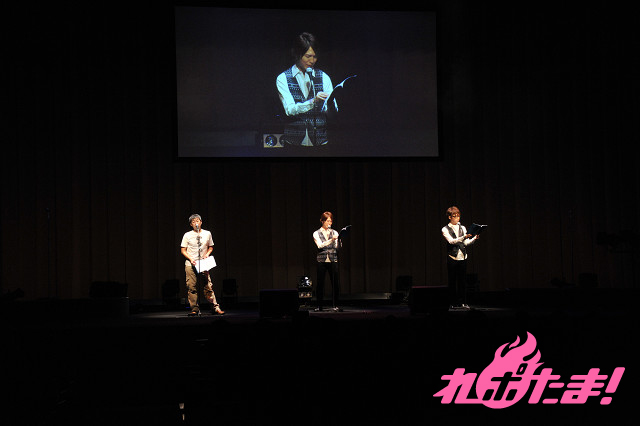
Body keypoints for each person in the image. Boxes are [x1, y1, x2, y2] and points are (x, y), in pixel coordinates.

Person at [276, 32, 337, 147]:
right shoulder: (283, 78)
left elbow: (332, 113)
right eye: (308, 56)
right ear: (297, 54)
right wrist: (313, 101)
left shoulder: (324, 77)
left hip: (320, 141)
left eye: (315, 57)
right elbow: (290, 110)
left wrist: (330, 104)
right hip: (294, 143)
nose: (312, 61)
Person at [180, 214, 224, 316]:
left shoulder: (207, 233)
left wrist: (207, 254)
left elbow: (211, 247)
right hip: (191, 263)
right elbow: (183, 250)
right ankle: (194, 309)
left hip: (203, 263)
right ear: (191, 224)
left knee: (208, 286)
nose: (196, 223)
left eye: (197, 221)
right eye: (193, 221)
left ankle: (215, 307)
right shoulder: (187, 235)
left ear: (201, 222)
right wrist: (190, 258)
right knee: (191, 287)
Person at [441, 206, 479, 310]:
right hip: (452, 258)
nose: (457, 218)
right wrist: (463, 237)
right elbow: (451, 241)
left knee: (462, 281)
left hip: (463, 257)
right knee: (452, 281)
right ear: (449, 217)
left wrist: (474, 239)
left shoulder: (463, 228)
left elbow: (465, 243)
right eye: (454, 216)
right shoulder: (445, 229)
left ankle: (463, 302)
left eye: (458, 216)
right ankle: (453, 303)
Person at [312, 211, 341, 312]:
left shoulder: (335, 232)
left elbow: (337, 247)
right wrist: (331, 240)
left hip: (333, 259)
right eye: (327, 221)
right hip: (322, 260)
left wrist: (339, 242)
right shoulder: (316, 233)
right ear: (322, 221)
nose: (329, 223)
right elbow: (320, 245)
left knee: (335, 283)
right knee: (320, 283)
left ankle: (335, 305)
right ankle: (319, 305)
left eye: (331, 221)